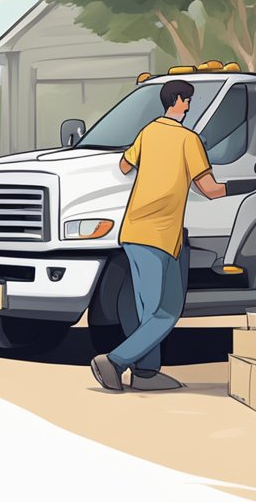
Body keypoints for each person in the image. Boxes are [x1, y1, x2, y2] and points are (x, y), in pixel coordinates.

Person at [91, 79, 227, 392]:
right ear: (177, 100)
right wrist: (242, 187)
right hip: (159, 235)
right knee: (164, 312)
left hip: (137, 230)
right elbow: (208, 190)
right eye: (187, 100)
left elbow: (125, 165)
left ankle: (147, 373)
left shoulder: (148, 131)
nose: (189, 105)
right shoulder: (187, 139)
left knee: (145, 309)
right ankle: (114, 361)